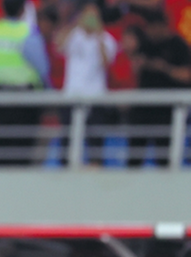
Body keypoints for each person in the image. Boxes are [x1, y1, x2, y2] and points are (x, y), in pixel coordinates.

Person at [0, 0, 51, 166]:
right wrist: (49, 92)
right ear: (22, 11)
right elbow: (43, 68)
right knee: (21, 152)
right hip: (24, 102)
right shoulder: (27, 32)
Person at [56, 1, 117, 165]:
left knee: (96, 142)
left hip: (96, 96)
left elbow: (106, 62)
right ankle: (65, 173)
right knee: (67, 141)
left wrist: (98, 35)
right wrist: (74, 24)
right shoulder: (73, 35)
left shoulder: (107, 39)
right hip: (71, 95)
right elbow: (58, 45)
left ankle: (95, 170)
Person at [128, 13, 191, 167]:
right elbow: (133, 69)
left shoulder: (178, 45)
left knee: (165, 157)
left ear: (163, 26)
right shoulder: (145, 44)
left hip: (167, 110)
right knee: (134, 156)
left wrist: (164, 68)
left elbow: (187, 75)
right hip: (144, 107)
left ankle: (168, 185)